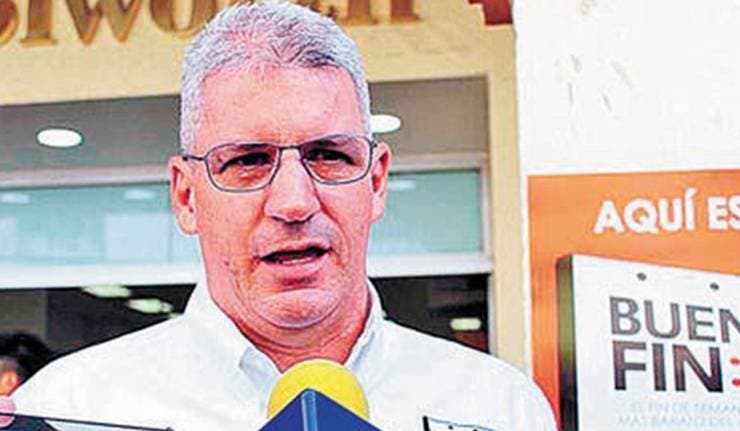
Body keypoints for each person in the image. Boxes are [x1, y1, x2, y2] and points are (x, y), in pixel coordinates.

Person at [13, 2, 557, 430]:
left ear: (375, 182)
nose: (294, 202)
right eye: (248, 161)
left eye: (329, 155)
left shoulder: (498, 407)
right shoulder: (68, 411)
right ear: (186, 196)